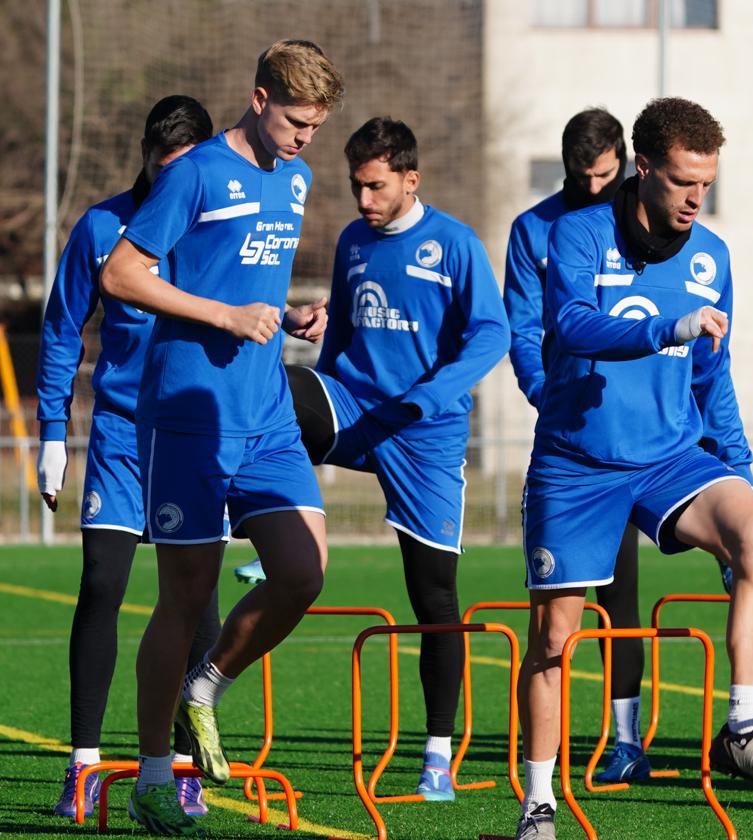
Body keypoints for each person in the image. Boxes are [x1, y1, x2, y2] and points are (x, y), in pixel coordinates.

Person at [511, 97, 753, 840]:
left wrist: (735, 469)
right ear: (645, 171)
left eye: (705, 184)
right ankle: (539, 804)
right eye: (681, 182)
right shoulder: (574, 233)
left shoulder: (712, 257)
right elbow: (571, 325)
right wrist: (662, 327)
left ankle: (743, 729)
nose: (694, 199)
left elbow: (714, 375)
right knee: (554, 637)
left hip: (671, 457)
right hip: (577, 464)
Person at [99, 40, 343, 835]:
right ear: (260, 98)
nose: (307, 138)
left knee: (304, 572)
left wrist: (293, 312)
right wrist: (224, 316)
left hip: (268, 415)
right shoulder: (195, 172)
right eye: (298, 121)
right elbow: (123, 275)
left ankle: (207, 686)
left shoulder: (299, 178)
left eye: (317, 126)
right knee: (186, 595)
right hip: (191, 417)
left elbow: (251, 281)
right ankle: (147, 776)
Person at [275, 116, 509, 799]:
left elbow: (493, 333)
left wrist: (433, 395)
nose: (363, 200)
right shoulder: (352, 241)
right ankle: (282, 530)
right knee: (271, 387)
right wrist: (317, 393)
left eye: (375, 186)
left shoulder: (456, 245)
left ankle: (437, 754)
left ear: (411, 179)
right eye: (355, 185)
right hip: (355, 408)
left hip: (425, 435)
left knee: (434, 597)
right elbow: (341, 333)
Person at [37, 95, 220, 820]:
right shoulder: (101, 225)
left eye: (183, 167)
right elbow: (61, 328)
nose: (168, 176)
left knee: (196, 598)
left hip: (193, 436)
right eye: (158, 162)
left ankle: (180, 765)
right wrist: (52, 431)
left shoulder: (216, 229)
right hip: (118, 433)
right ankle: (82, 767)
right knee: (102, 583)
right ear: (144, 153)